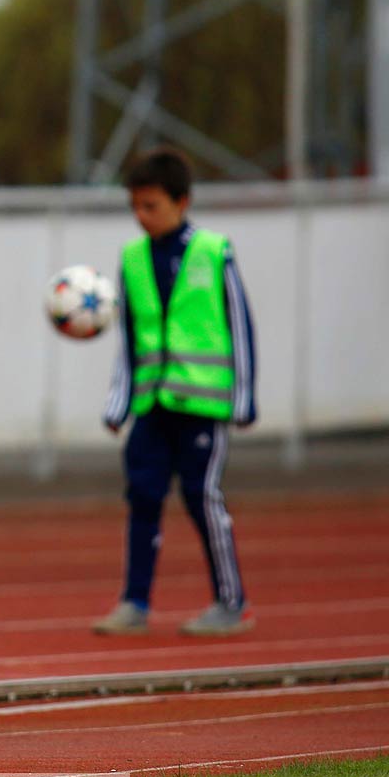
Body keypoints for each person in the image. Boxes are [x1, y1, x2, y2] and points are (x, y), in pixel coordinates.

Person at [93, 146, 255, 638]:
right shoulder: (132, 259)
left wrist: (244, 397)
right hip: (151, 405)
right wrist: (119, 400)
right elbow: (129, 337)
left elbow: (240, 326)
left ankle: (230, 601)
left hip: (203, 404)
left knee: (202, 497)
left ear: (181, 202)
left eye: (152, 206)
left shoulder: (213, 251)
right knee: (142, 497)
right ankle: (135, 602)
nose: (142, 217)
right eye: (135, 207)